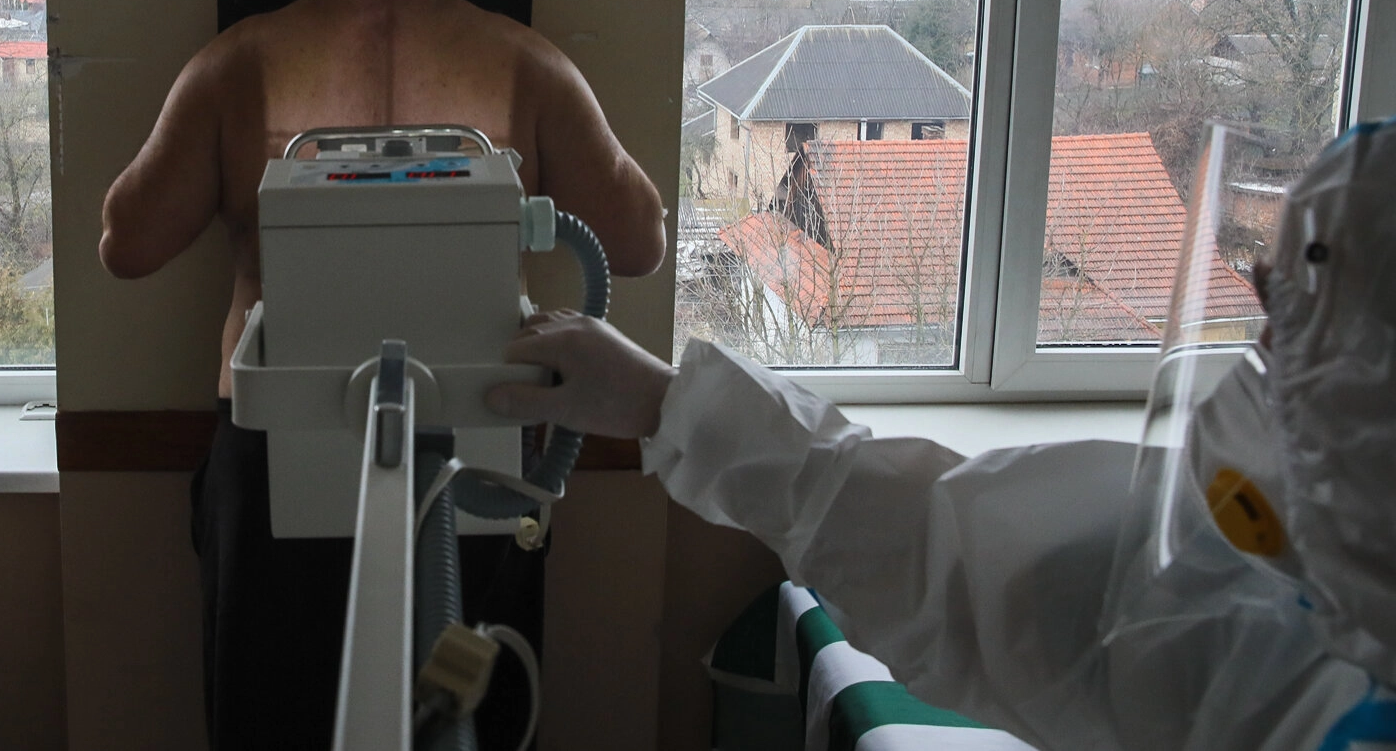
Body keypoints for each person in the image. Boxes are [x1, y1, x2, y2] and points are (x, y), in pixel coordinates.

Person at [487, 120, 1396, 751]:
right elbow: (966, 564)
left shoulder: (1293, 647)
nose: (1256, 362)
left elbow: (959, 568)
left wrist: (667, 406)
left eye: (1289, 326)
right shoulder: (1280, 627)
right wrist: (664, 404)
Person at [101, 0, 667, 750]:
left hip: (281, 452)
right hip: (474, 451)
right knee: (465, 719)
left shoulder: (237, 65)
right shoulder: (526, 63)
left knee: (273, 722)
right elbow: (639, 241)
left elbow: (124, 246)